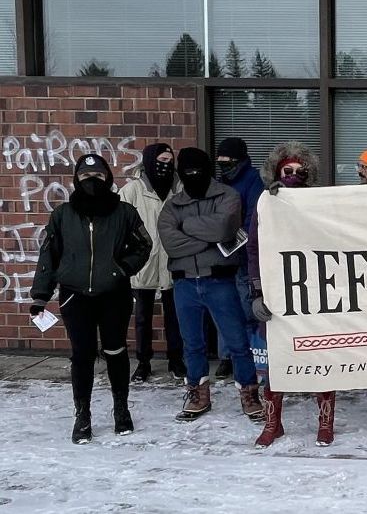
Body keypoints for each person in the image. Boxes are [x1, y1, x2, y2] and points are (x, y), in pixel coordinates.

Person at [30, 154, 152, 444]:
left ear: (108, 178)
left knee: (115, 351)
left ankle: (121, 409)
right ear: (76, 179)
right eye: (85, 177)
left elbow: (143, 245)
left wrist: (122, 268)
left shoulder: (124, 211)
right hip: (75, 296)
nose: (92, 182)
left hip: (114, 294)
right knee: (82, 355)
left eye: (98, 176)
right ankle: (82, 415)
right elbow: (49, 255)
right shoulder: (62, 214)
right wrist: (40, 296)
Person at [158, 147, 262, 423]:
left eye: (198, 169)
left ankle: (250, 393)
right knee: (192, 344)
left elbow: (225, 229)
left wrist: (188, 227)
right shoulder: (172, 205)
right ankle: (197, 393)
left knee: (237, 342)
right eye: (187, 170)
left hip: (220, 280)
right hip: (184, 283)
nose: (193, 174)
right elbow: (171, 243)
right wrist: (209, 238)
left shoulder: (227, 195)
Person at [249, 141, 337, 448]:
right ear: (276, 171)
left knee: (321, 357)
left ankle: (325, 422)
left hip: (313, 291)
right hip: (277, 293)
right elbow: (254, 249)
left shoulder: (319, 202)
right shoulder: (265, 204)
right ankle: (273, 423)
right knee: (276, 360)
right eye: (288, 170)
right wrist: (257, 291)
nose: (294, 175)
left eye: (301, 171)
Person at [119, 142, 186, 382]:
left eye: (169, 162)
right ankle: (143, 363)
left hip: (173, 260)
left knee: (174, 315)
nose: (164, 166)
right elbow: (120, 225)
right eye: (161, 161)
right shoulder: (132, 190)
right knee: (142, 317)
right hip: (143, 263)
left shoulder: (180, 188)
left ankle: (176, 360)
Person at [213, 137, 265, 381]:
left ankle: (247, 354)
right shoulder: (220, 180)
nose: (224, 164)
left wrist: (235, 241)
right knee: (224, 308)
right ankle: (226, 357)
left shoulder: (253, 180)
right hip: (221, 255)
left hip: (242, 254)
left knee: (245, 309)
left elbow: (254, 216)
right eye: (220, 161)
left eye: (228, 161)